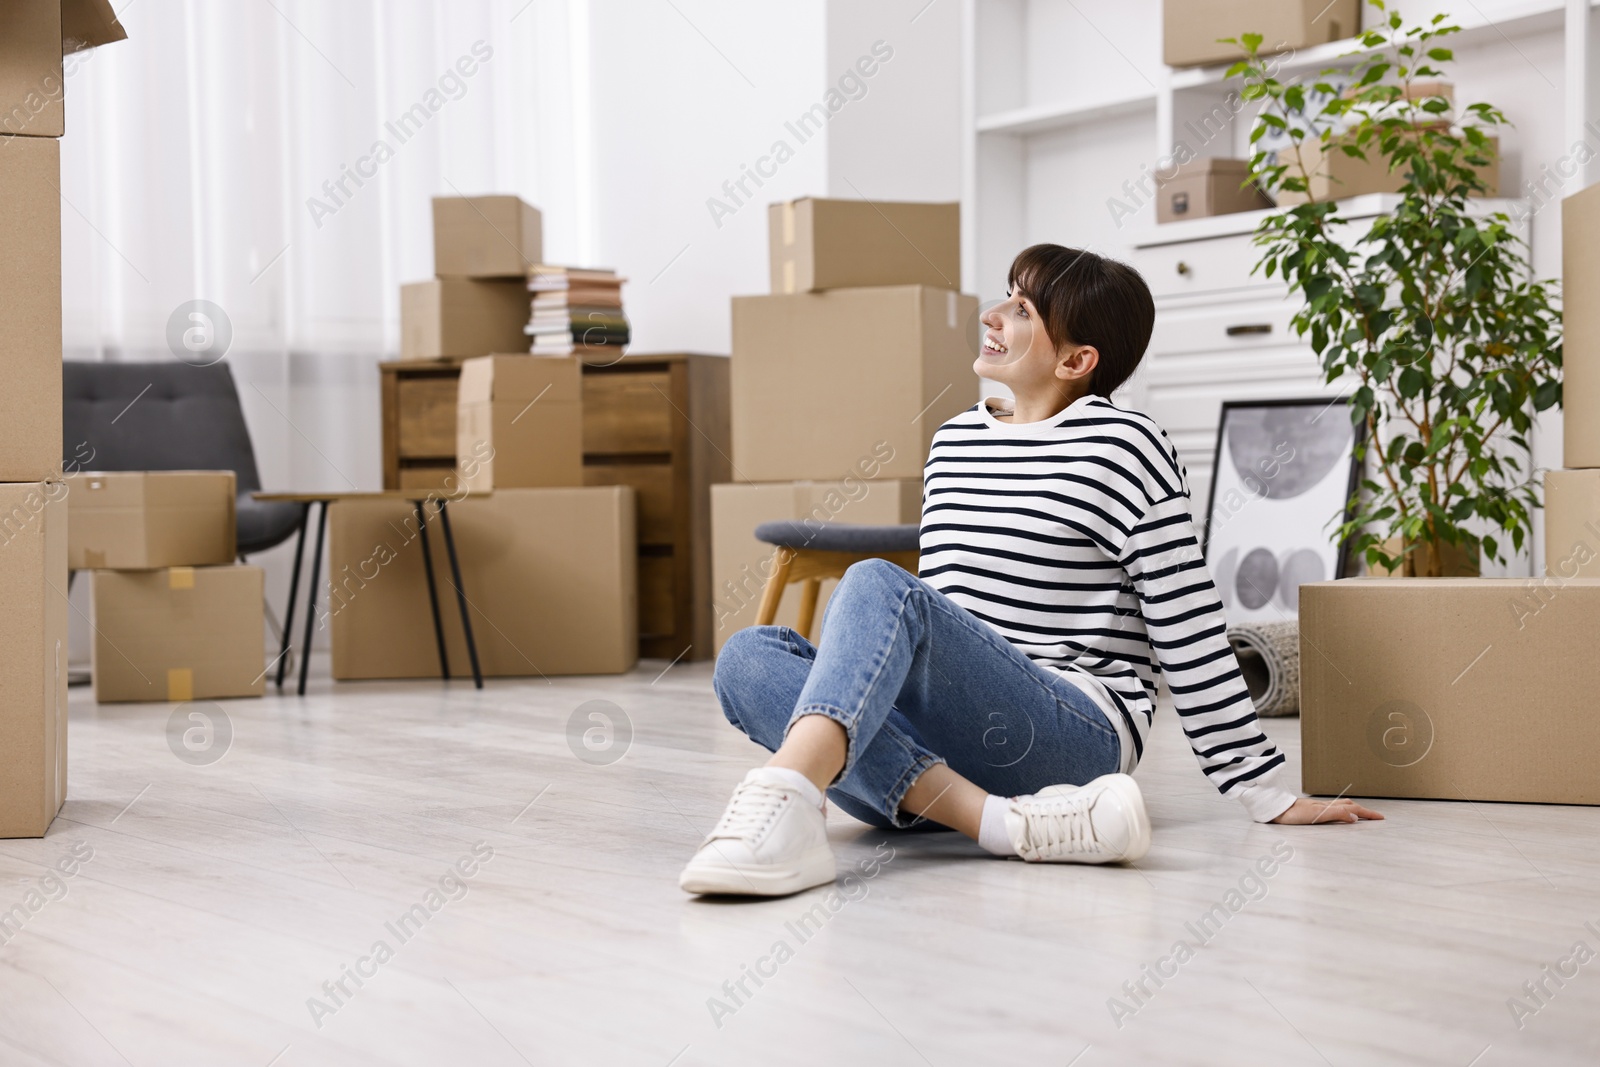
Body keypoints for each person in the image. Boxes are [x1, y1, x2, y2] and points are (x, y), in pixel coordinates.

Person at [680, 244, 1382, 897]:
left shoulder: (1125, 445)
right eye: (1007, 299)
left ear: (1077, 360)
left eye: (1022, 311)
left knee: (874, 582)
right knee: (746, 657)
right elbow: (949, 612)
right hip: (948, 749)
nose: (993, 316)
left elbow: (1187, 619)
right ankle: (995, 822)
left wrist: (1264, 789)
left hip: (1065, 732)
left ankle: (786, 800)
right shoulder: (955, 440)